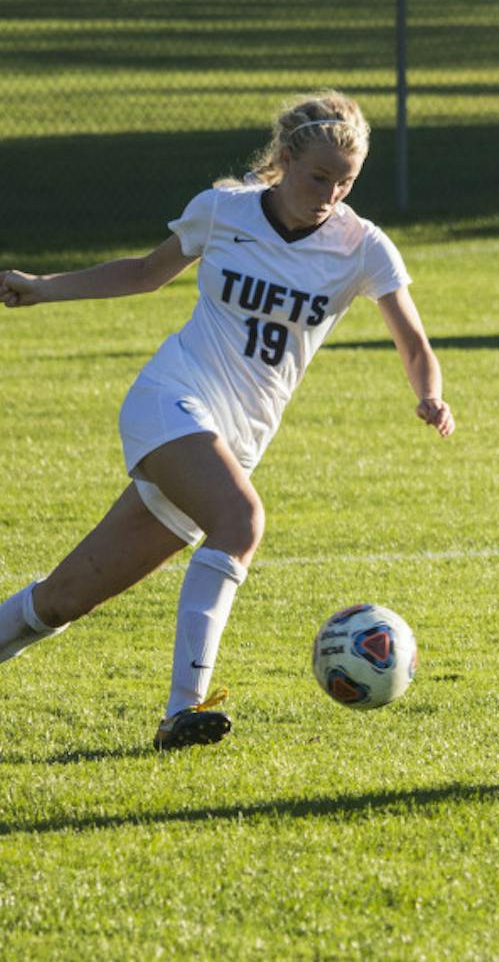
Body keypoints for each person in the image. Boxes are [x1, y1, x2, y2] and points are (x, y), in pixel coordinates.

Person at [0, 90, 455, 750]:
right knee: (241, 521)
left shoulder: (362, 247)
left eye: (346, 180)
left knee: (62, 599)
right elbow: (145, 273)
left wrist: (429, 393)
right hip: (171, 398)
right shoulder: (224, 211)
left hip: (234, 441)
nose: (330, 192)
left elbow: (413, 340)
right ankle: (182, 710)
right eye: (318, 176)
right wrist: (44, 286)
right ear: (286, 158)